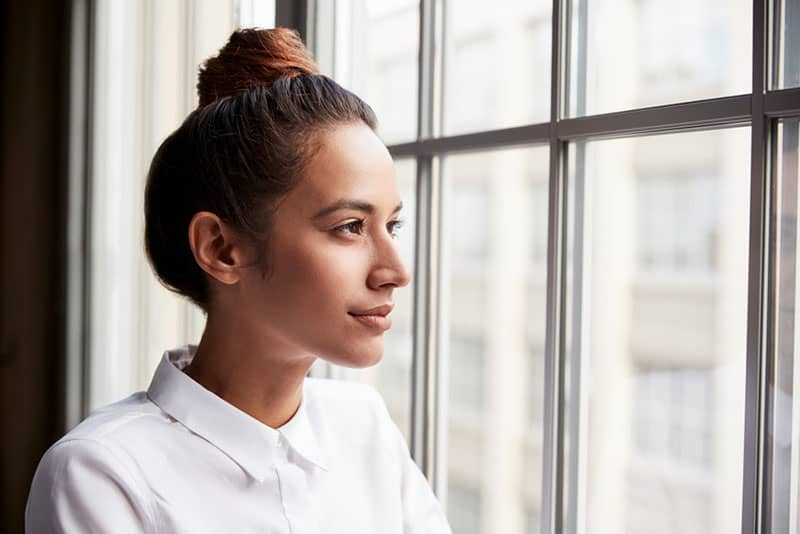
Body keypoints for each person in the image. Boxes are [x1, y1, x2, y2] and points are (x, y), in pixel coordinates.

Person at [25, 28, 453, 534]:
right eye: (349, 227)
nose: (396, 272)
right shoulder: (102, 473)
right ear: (221, 249)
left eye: (392, 226)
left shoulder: (364, 426)